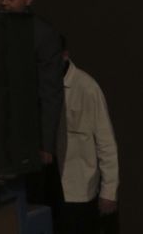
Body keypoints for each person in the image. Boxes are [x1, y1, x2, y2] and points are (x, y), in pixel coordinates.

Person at [0, 0, 64, 211]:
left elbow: (50, 91)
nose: (4, 3)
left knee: (33, 198)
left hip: (29, 126)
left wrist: (46, 144)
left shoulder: (42, 34)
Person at [57, 39, 120, 233]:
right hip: (53, 189)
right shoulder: (42, 85)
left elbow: (106, 143)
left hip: (80, 192)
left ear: (64, 55)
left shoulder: (87, 88)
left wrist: (109, 191)